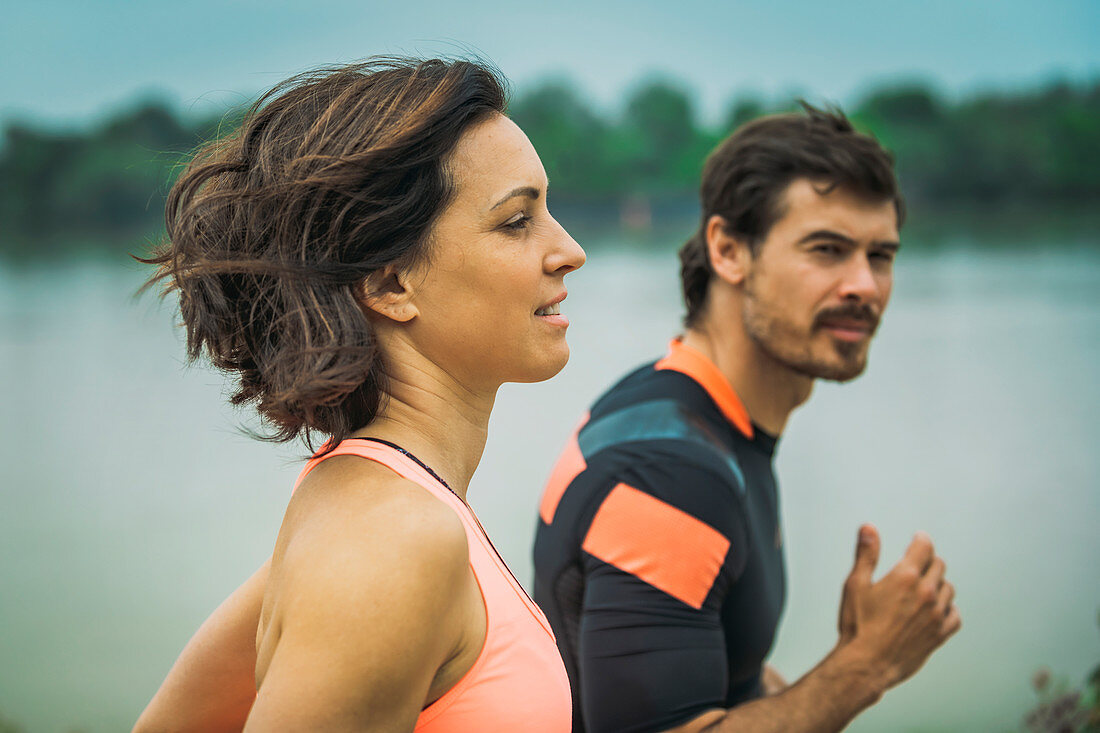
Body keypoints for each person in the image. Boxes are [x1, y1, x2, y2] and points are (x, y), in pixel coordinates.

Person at [134, 57, 585, 731]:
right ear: (389, 284)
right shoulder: (394, 539)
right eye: (516, 221)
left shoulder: (366, 505)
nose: (569, 250)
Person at [532, 104, 962, 733]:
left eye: (882, 256)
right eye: (828, 250)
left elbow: (725, 680)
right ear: (728, 250)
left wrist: (844, 667)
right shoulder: (669, 471)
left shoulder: (679, 409)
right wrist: (867, 667)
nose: (864, 285)